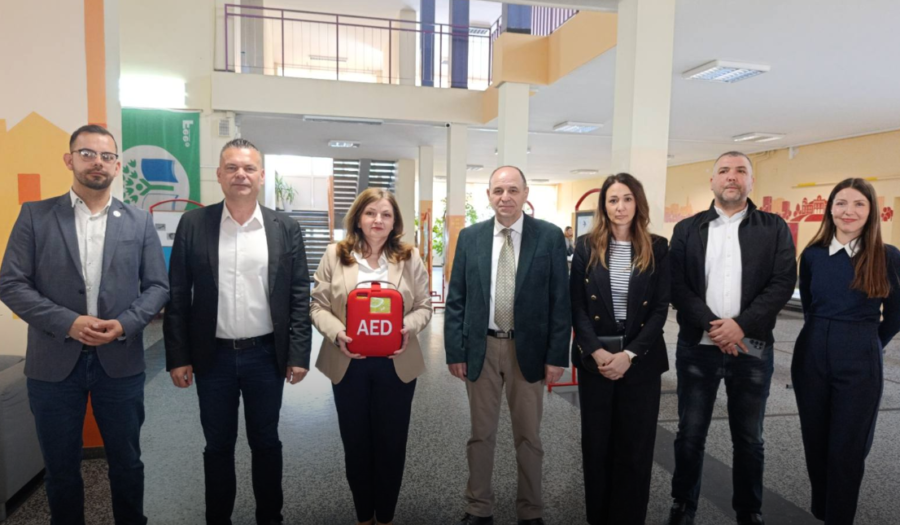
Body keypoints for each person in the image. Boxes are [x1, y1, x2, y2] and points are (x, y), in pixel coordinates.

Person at [0, 124, 169, 525]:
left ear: (117, 166)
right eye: (87, 153)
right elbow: (11, 283)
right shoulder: (36, 215)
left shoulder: (138, 221)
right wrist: (69, 322)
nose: (98, 162)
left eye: (107, 156)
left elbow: (158, 287)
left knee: (127, 462)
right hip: (53, 364)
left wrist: (125, 324)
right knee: (61, 468)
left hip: (120, 362)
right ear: (69, 159)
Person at [164, 138, 311, 525]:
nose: (240, 174)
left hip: (266, 355)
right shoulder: (194, 224)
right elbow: (177, 294)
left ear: (261, 176)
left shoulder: (285, 227)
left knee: (266, 442)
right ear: (219, 175)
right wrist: (178, 357)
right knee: (217, 446)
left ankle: (270, 517)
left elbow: (299, 294)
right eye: (231, 167)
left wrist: (298, 354)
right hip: (212, 357)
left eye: (248, 168)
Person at [667, 151, 796, 525]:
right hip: (697, 347)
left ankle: (749, 509)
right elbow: (677, 284)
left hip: (752, 347)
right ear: (712, 181)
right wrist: (713, 325)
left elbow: (782, 283)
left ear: (751, 181)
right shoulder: (688, 229)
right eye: (724, 170)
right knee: (690, 433)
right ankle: (683, 503)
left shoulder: (773, 227)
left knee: (750, 437)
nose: (732, 176)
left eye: (741, 171)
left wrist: (740, 326)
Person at [444, 165, 571, 525]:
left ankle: (530, 511)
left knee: (529, 436)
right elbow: (457, 299)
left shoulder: (548, 237)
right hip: (481, 349)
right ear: (488, 195)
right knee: (480, 435)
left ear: (525, 194)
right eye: (498, 191)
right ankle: (478, 507)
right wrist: (455, 351)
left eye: (513, 190)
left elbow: (559, 300)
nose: (505, 197)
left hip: (527, 351)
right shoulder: (470, 237)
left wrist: (556, 356)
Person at [310, 188, 433, 525]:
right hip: (349, 363)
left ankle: (386, 516)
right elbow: (318, 305)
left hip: (396, 364)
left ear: (395, 223)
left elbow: (424, 306)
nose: (378, 220)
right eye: (371, 213)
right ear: (358, 218)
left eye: (386, 214)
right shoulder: (335, 254)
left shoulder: (409, 257)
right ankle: (364, 516)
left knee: (392, 445)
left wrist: (407, 328)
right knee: (356, 444)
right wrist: (338, 333)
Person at [792, 178, 900, 525]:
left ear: (871, 211)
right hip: (811, 356)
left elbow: (896, 313)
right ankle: (823, 512)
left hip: (859, 358)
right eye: (841, 203)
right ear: (830, 209)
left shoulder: (887, 256)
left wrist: (869, 344)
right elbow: (809, 306)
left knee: (847, 449)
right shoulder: (813, 255)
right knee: (816, 442)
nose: (848, 211)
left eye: (858, 204)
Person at [569, 173, 670, 525]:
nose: (620, 207)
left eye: (627, 199)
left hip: (640, 360)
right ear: (604, 206)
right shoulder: (586, 246)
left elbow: (660, 309)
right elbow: (577, 306)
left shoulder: (657, 247)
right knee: (597, 444)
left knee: (636, 446)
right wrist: (596, 351)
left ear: (637, 203)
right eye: (613, 200)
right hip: (597, 359)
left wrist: (629, 355)